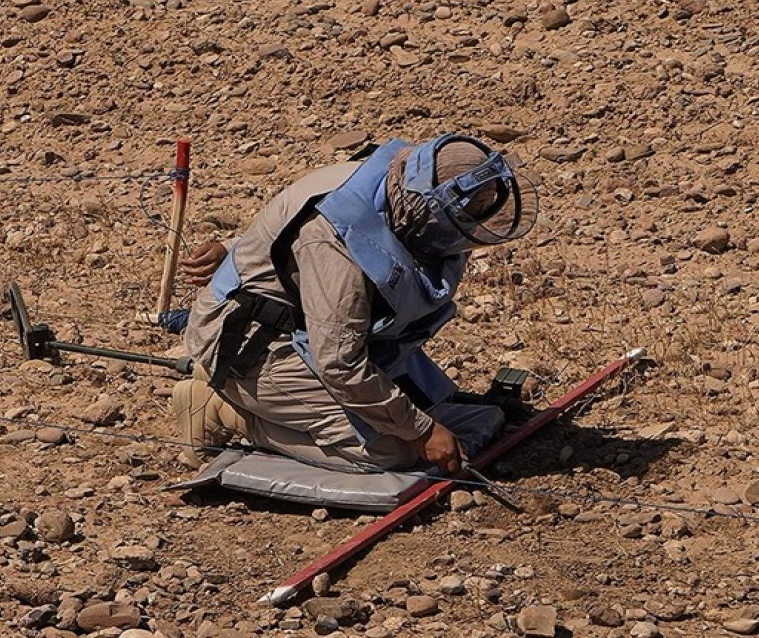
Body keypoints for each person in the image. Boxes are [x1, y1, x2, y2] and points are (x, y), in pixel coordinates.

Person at [170, 134, 538, 474]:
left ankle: (257, 397)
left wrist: (234, 248)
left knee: (417, 413)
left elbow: (288, 236)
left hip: (303, 328)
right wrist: (421, 432)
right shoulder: (336, 244)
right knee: (395, 449)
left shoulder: (393, 181)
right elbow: (340, 363)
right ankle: (224, 410)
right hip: (251, 344)